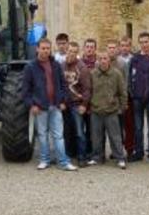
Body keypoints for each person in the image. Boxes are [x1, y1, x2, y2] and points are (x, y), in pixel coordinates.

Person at [22, 38, 77, 171]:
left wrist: (63, 101)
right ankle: (44, 160)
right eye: (43, 48)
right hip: (40, 107)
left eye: (48, 48)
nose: (46, 51)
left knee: (58, 135)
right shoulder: (30, 67)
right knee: (42, 135)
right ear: (37, 49)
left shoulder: (55, 65)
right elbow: (25, 91)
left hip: (56, 106)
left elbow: (63, 85)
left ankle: (63, 162)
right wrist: (32, 105)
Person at [88, 51, 128, 169]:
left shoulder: (116, 74)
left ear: (109, 60)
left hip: (111, 111)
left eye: (105, 58)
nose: (103, 61)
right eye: (100, 58)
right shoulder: (93, 74)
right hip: (96, 110)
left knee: (115, 136)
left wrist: (122, 107)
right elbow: (89, 91)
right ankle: (97, 157)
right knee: (96, 136)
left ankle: (119, 157)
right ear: (98, 61)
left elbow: (122, 92)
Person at [129, 32, 149, 163]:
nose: (144, 44)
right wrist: (131, 91)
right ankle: (139, 152)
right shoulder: (134, 59)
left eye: (146, 42)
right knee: (138, 127)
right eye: (141, 42)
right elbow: (129, 77)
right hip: (137, 97)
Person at [62, 41, 91, 166]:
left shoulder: (82, 67)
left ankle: (82, 157)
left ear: (77, 53)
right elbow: (59, 86)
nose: (71, 53)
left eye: (74, 51)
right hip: (65, 104)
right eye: (69, 51)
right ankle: (68, 154)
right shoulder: (61, 66)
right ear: (66, 51)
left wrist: (84, 104)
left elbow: (87, 88)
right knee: (66, 131)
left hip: (76, 104)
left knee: (80, 132)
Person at [116, 36, 135, 156]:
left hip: (130, 95)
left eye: (127, 45)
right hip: (117, 96)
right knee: (117, 125)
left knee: (129, 124)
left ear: (130, 46)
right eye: (122, 45)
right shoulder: (115, 60)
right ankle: (118, 149)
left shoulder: (134, 59)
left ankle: (130, 149)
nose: (124, 48)